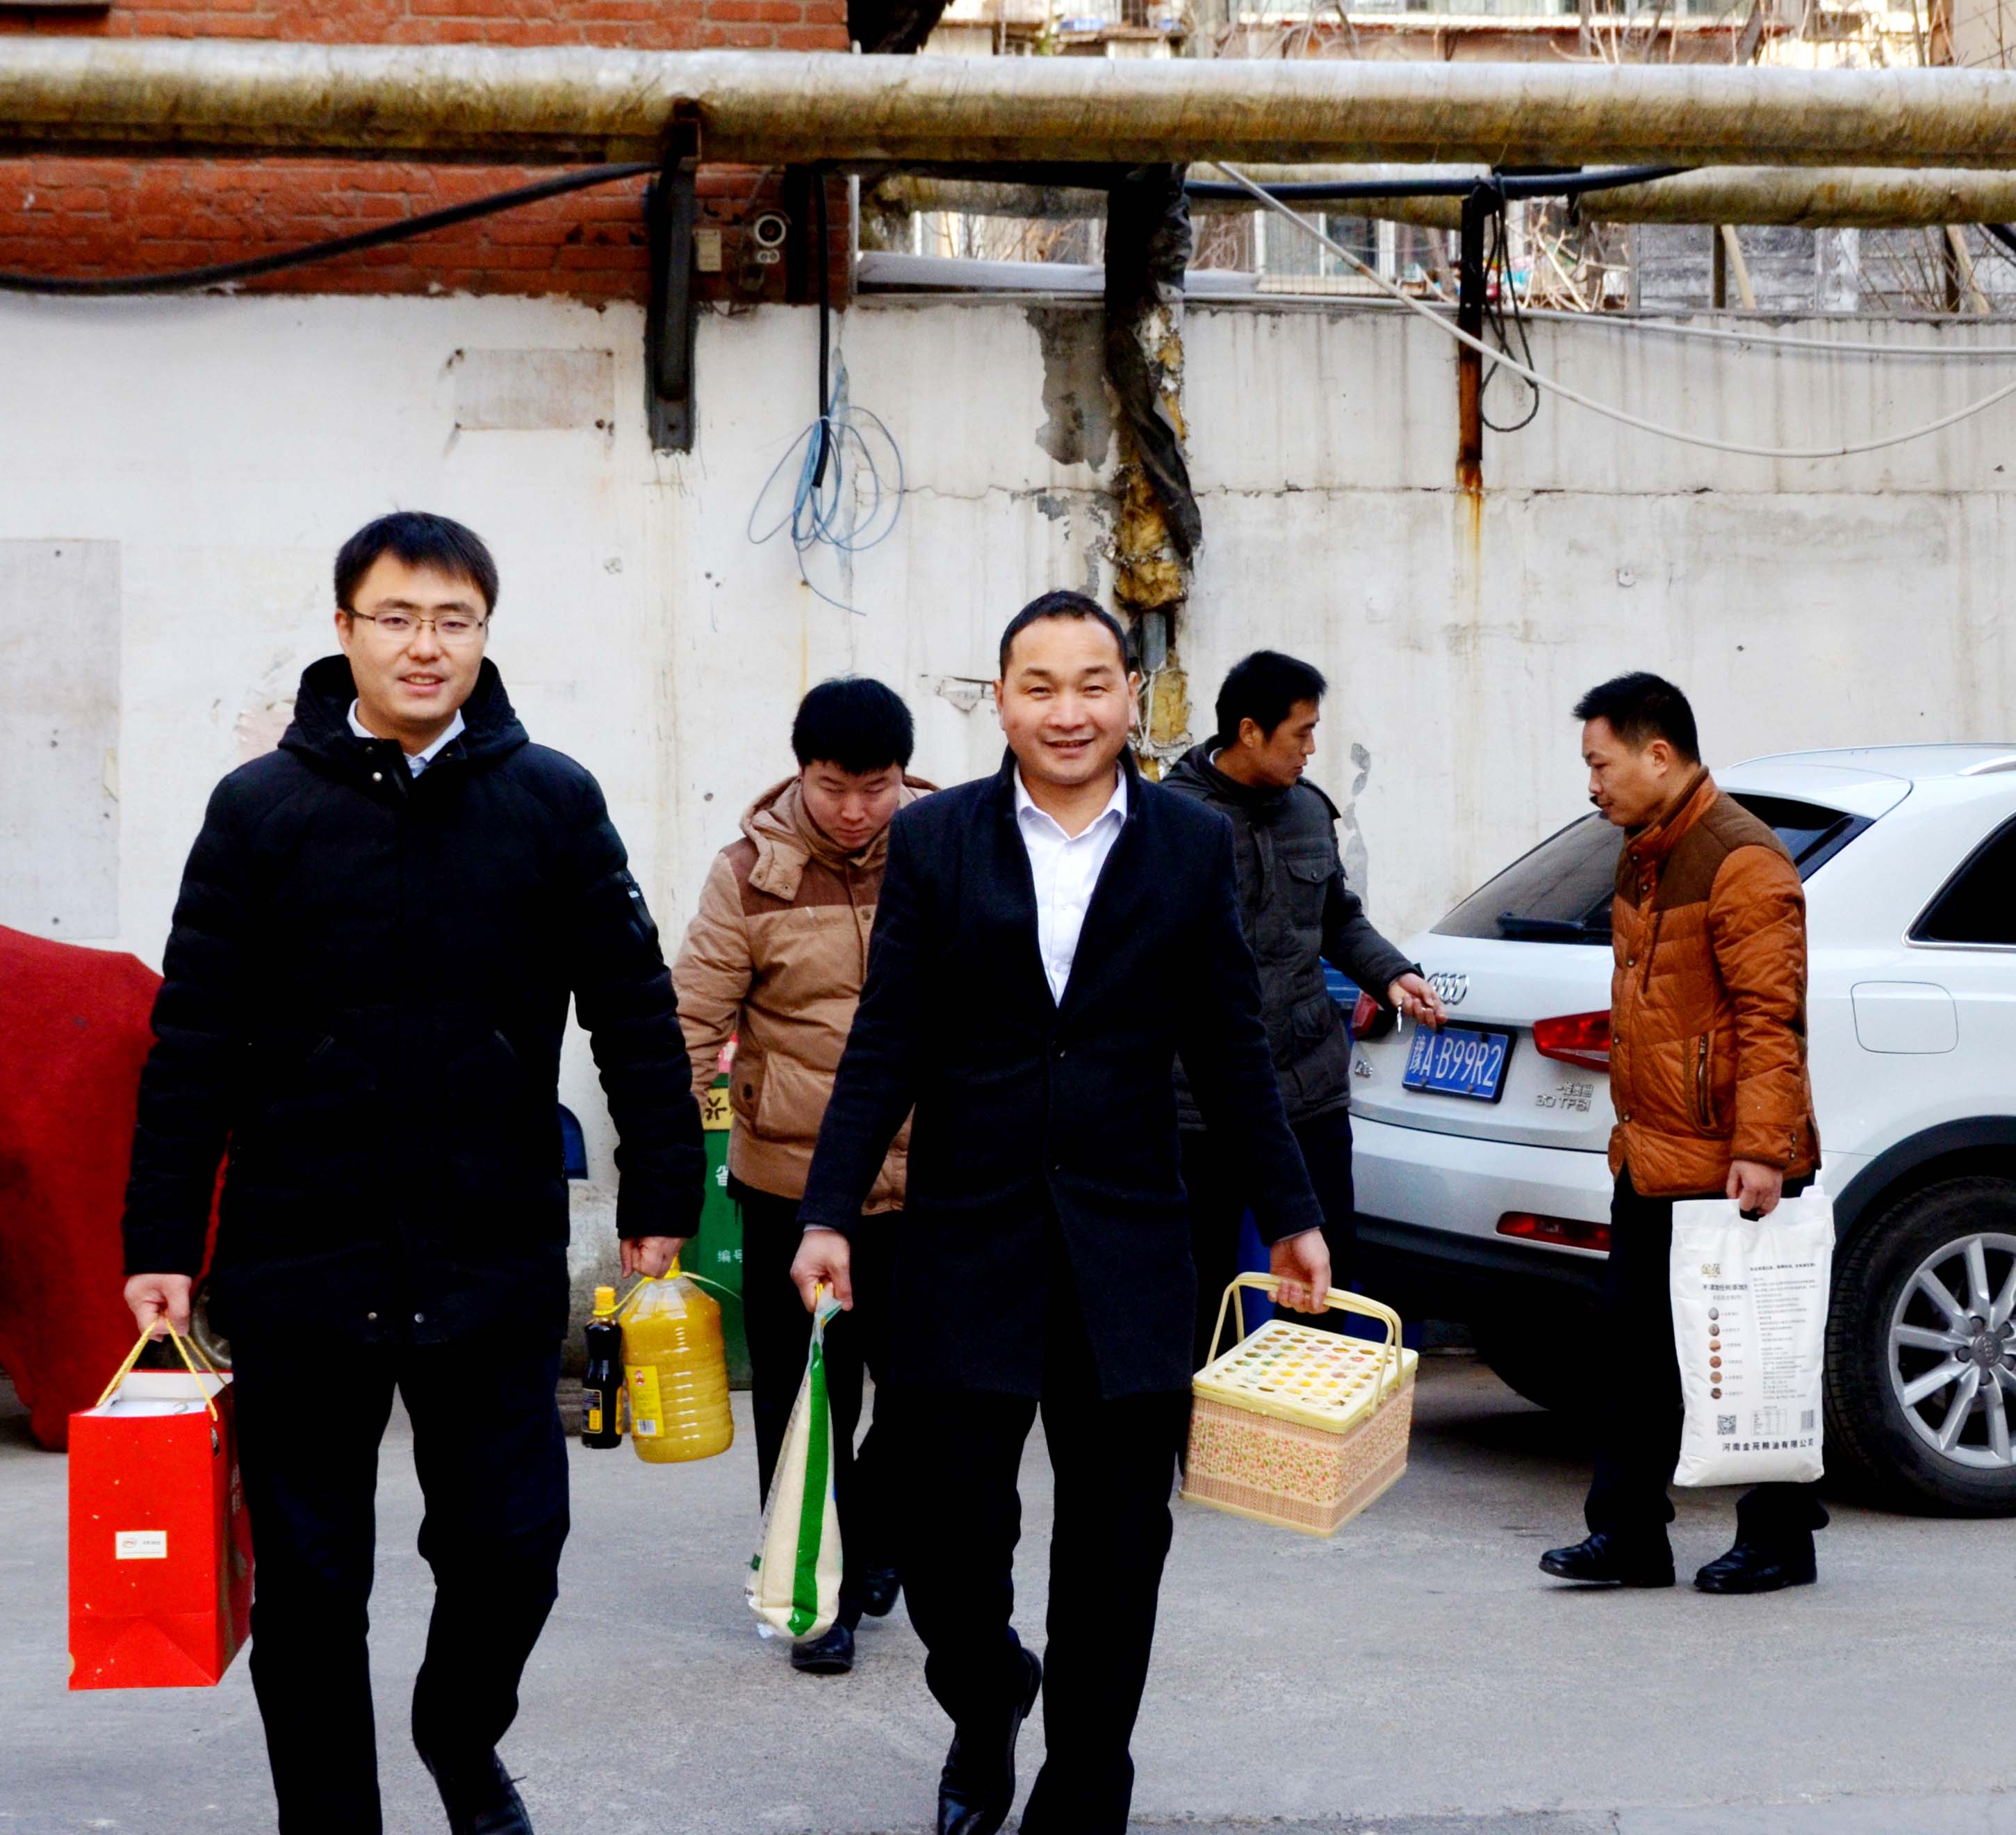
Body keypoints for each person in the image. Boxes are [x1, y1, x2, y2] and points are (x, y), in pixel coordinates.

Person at [117, 512, 703, 1835]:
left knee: (512, 1546)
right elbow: (192, 1038)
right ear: (345, 631)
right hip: (299, 1253)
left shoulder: (549, 801)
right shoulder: (257, 812)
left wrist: (661, 1194)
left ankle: (457, 1727)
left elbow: (631, 1009)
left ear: (484, 634)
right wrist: (159, 1238)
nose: (423, 645)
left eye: (451, 620)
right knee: (312, 1583)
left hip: (485, 1245)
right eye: (395, 618)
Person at [789, 592, 1333, 1835]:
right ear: (1000, 702)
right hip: (963, 1241)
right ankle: (985, 1702)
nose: (1068, 711)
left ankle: (1087, 1781)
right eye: (1039, 687)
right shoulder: (937, 840)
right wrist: (828, 1210)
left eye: (1093, 684)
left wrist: (1289, 1208)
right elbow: (886, 1039)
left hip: (1127, 1244)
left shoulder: (1187, 844)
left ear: (1132, 697)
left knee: (1115, 1544)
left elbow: (1230, 1044)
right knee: (945, 1542)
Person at [1540, 671, 1826, 1596]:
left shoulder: (1742, 860)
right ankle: (1629, 1535)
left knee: (1750, 1349)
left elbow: (1771, 1019)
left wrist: (1763, 1150)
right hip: (1652, 1147)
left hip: (1731, 1153)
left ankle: (1780, 1537)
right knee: (1632, 1350)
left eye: (1601, 764)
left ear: (1657, 755)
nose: (1592, 784)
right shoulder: (1644, 850)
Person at [671, 676, 931, 1677]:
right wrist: (663, 1169)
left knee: (930, 1392)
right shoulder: (748, 874)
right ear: (800, 774)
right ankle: (813, 1595)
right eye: (833, 787)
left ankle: (873, 1531)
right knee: (802, 1406)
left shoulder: (949, 847)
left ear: (902, 775)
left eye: (876, 787)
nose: (855, 810)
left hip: (931, 1184)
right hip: (791, 1181)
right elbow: (693, 1020)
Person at [1161, 650, 1448, 1352]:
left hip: (1307, 1087)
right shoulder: (1170, 822)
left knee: (1319, 1282)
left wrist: (1391, 975)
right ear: (1249, 731)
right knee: (1194, 1291)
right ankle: (1197, 1421)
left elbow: (1336, 918)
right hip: (1198, 1101)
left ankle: (1298, 1424)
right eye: (1302, 732)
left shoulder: (1308, 811)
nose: (1312, 748)